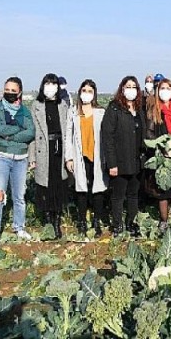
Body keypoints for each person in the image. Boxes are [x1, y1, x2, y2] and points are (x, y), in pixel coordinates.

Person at [0, 77, 35, 247]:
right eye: (7, 89)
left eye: (13, 91)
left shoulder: (25, 112)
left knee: (19, 197)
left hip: (21, 158)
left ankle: (19, 228)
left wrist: (10, 136)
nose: (10, 93)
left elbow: (31, 132)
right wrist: (18, 131)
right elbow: (0, 130)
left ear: (19, 92)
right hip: (1, 157)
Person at [101, 76, 145, 236]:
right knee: (118, 195)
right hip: (120, 161)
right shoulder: (114, 109)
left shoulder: (139, 109)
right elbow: (108, 137)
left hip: (136, 161)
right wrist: (112, 163)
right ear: (122, 89)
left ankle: (131, 223)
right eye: (128, 86)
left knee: (133, 195)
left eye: (134, 87)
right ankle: (118, 225)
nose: (131, 89)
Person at [65, 79, 108, 237]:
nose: (87, 94)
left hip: (96, 155)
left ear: (94, 94)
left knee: (98, 189)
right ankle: (82, 222)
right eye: (84, 91)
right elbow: (68, 136)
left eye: (90, 91)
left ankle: (97, 221)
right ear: (80, 92)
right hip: (79, 155)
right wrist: (68, 158)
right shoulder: (73, 112)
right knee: (81, 189)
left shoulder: (100, 112)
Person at [29, 73, 69, 239]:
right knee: (45, 185)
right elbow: (32, 135)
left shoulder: (63, 105)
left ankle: (57, 220)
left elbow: (68, 130)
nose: (50, 87)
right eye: (47, 84)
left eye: (53, 84)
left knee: (58, 183)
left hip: (60, 148)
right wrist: (32, 158)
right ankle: (47, 219)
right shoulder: (36, 105)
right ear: (42, 86)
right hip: (43, 149)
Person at [144, 78, 171, 229]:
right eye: (163, 88)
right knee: (162, 191)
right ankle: (163, 221)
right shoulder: (154, 110)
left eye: (168, 88)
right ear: (158, 91)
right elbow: (149, 135)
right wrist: (162, 147)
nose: (165, 91)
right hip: (161, 156)